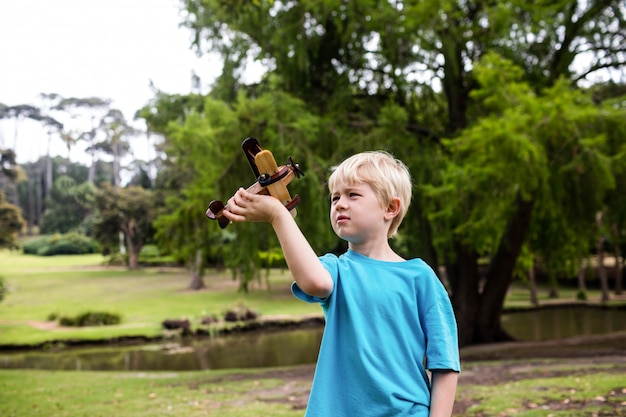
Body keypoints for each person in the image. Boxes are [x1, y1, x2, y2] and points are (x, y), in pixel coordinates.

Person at [223, 150, 460, 417]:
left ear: (390, 208)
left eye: (353, 195)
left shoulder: (420, 277)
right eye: (335, 197)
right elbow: (315, 282)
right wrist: (279, 216)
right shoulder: (335, 269)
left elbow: (445, 362)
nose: (339, 204)